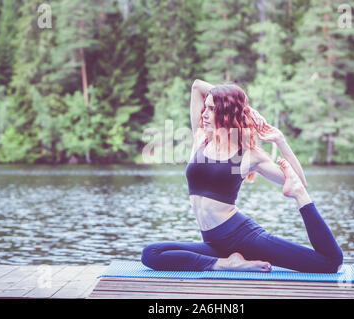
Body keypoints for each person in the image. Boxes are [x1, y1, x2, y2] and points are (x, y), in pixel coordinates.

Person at [141, 79, 343, 273]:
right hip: (213, 243)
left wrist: (280, 140)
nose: (205, 113)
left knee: (329, 263)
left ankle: (228, 263)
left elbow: (299, 180)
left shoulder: (247, 155)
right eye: (206, 107)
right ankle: (225, 264)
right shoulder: (201, 138)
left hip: (243, 237)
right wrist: (245, 109)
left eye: (212, 109)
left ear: (227, 112)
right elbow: (197, 86)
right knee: (151, 253)